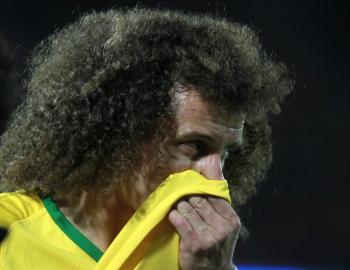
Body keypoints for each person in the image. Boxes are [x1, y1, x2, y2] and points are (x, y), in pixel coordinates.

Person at [0, 8, 292, 270]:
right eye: (194, 146)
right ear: (120, 134)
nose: (217, 180)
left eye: (226, 155)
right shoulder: (8, 230)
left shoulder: (203, 255)